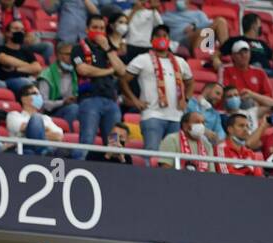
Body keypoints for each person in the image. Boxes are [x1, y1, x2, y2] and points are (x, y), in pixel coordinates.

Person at [122, 25, 192, 151]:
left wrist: (186, 99)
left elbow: (190, 82)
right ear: (151, 40)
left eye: (164, 36)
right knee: (151, 153)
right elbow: (123, 80)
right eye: (157, 36)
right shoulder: (142, 59)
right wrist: (134, 101)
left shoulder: (180, 61)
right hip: (152, 115)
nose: (161, 38)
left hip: (176, 117)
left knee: (174, 158)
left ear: (169, 39)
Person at [73, 13, 125, 160]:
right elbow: (83, 69)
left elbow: (121, 70)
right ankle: (78, 170)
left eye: (101, 28)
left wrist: (107, 48)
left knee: (114, 143)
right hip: (90, 100)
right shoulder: (78, 48)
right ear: (87, 29)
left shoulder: (108, 50)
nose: (98, 31)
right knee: (87, 139)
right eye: (94, 27)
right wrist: (109, 71)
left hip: (111, 101)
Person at [217, 13, 273, 83]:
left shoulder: (262, 43)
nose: (261, 27)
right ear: (254, 26)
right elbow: (217, 54)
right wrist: (216, 61)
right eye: (259, 24)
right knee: (256, 66)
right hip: (252, 71)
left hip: (270, 73)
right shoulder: (236, 40)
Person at [0, 18, 44, 97]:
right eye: (16, 29)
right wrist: (29, 67)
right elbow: (6, 60)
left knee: (37, 83)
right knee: (26, 83)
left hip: (25, 80)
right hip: (6, 80)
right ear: (8, 33)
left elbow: (37, 68)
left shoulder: (26, 51)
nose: (20, 32)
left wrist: (16, 69)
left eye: (22, 30)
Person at [6, 85, 64, 153]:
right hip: (23, 149)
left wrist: (32, 133)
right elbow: (23, 127)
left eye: (39, 94)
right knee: (36, 118)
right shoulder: (14, 115)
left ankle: (42, 152)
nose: (39, 97)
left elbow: (58, 136)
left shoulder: (46, 118)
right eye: (35, 93)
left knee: (75, 151)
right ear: (23, 98)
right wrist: (46, 130)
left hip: (46, 148)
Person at [38, 41, 81, 127]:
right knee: (73, 108)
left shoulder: (76, 73)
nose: (72, 57)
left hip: (71, 107)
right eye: (68, 54)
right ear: (58, 55)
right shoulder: (47, 75)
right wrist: (63, 102)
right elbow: (42, 103)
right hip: (51, 113)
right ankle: (67, 136)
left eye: (73, 54)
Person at [215, 111, 263, 176]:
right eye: (241, 126)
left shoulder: (249, 152)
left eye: (247, 126)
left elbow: (259, 176)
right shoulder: (221, 148)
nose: (245, 129)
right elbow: (226, 175)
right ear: (230, 129)